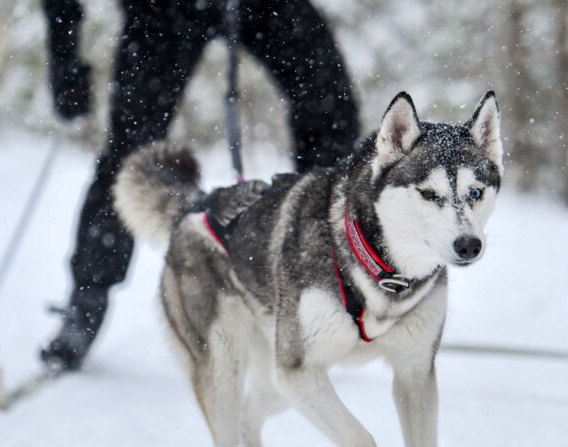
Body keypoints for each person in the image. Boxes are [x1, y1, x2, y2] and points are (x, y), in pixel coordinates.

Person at [40, 0, 359, 370]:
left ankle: (330, 286)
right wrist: (63, 61)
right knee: (132, 147)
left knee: (330, 110)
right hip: (165, 10)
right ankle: (86, 301)